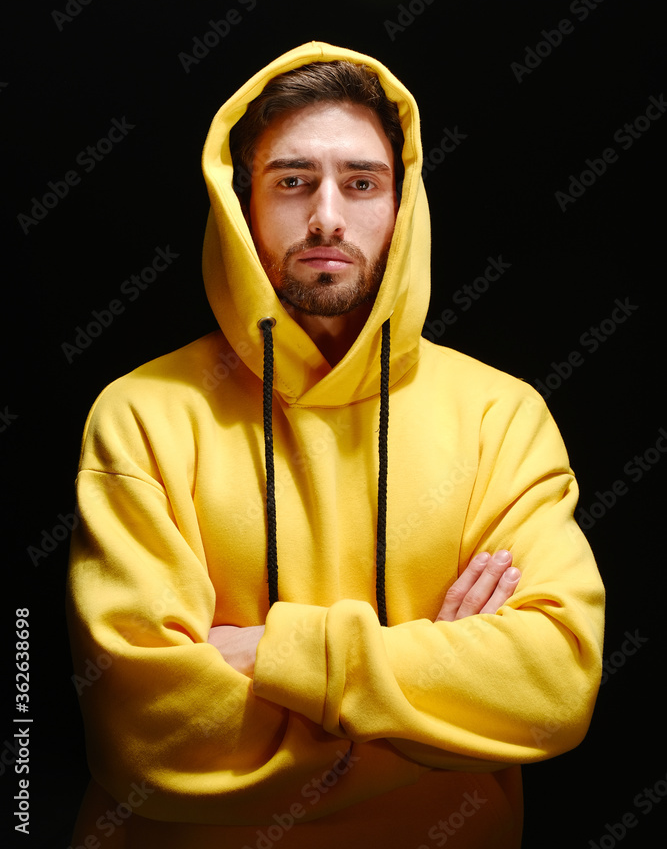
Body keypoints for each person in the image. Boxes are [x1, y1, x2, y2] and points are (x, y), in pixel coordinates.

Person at [66, 41, 605, 849]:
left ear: (402, 204)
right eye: (292, 182)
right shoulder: (141, 415)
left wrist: (267, 653)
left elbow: (554, 682)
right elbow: (146, 739)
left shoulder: (501, 415)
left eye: (361, 183)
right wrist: (435, 716)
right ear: (239, 203)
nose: (326, 215)